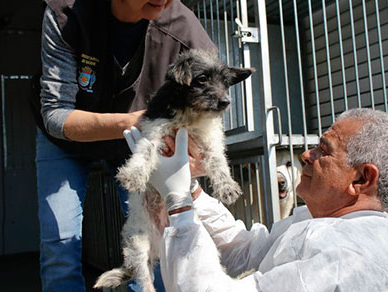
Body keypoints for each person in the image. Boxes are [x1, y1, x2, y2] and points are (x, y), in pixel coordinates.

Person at [29, 0, 215, 291]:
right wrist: (132, 123)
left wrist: (196, 154)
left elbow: (210, 106)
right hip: (67, 137)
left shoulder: (185, 30)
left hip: (140, 139)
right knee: (60, 243)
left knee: (153, 238)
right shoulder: (65, 13)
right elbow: (55, 115)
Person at [124, 108, 388, 291]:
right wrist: (190, 188)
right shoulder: (324, 219)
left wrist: (178, 201)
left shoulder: (346, 257)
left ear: (362, 180)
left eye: (324, 150)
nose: (307, 155)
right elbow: (247, 251)